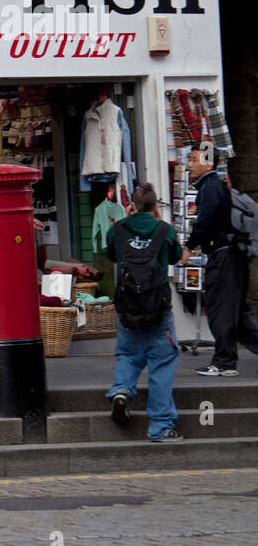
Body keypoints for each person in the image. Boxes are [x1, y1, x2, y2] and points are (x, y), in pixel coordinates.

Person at [107, 183, 183, 441]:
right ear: (156, 207)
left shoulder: (116, 230)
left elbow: (112, 256)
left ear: (131, 207)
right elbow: (175, 256)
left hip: (128, 308)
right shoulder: (165, 231)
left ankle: (121, 390)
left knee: (128, 354)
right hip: (158, 311)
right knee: (161, 364)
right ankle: (161, 427)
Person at [185, 143, 258, 377]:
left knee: (221, 310)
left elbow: (204, 221)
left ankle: (224, 363)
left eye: (194, 160)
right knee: (238, 313)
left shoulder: (210, 187)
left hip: (224, 258)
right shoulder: (217, 186)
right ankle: (226, 361)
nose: (189, 165)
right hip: (234, 257)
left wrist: (188, 246)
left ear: (208, 162)